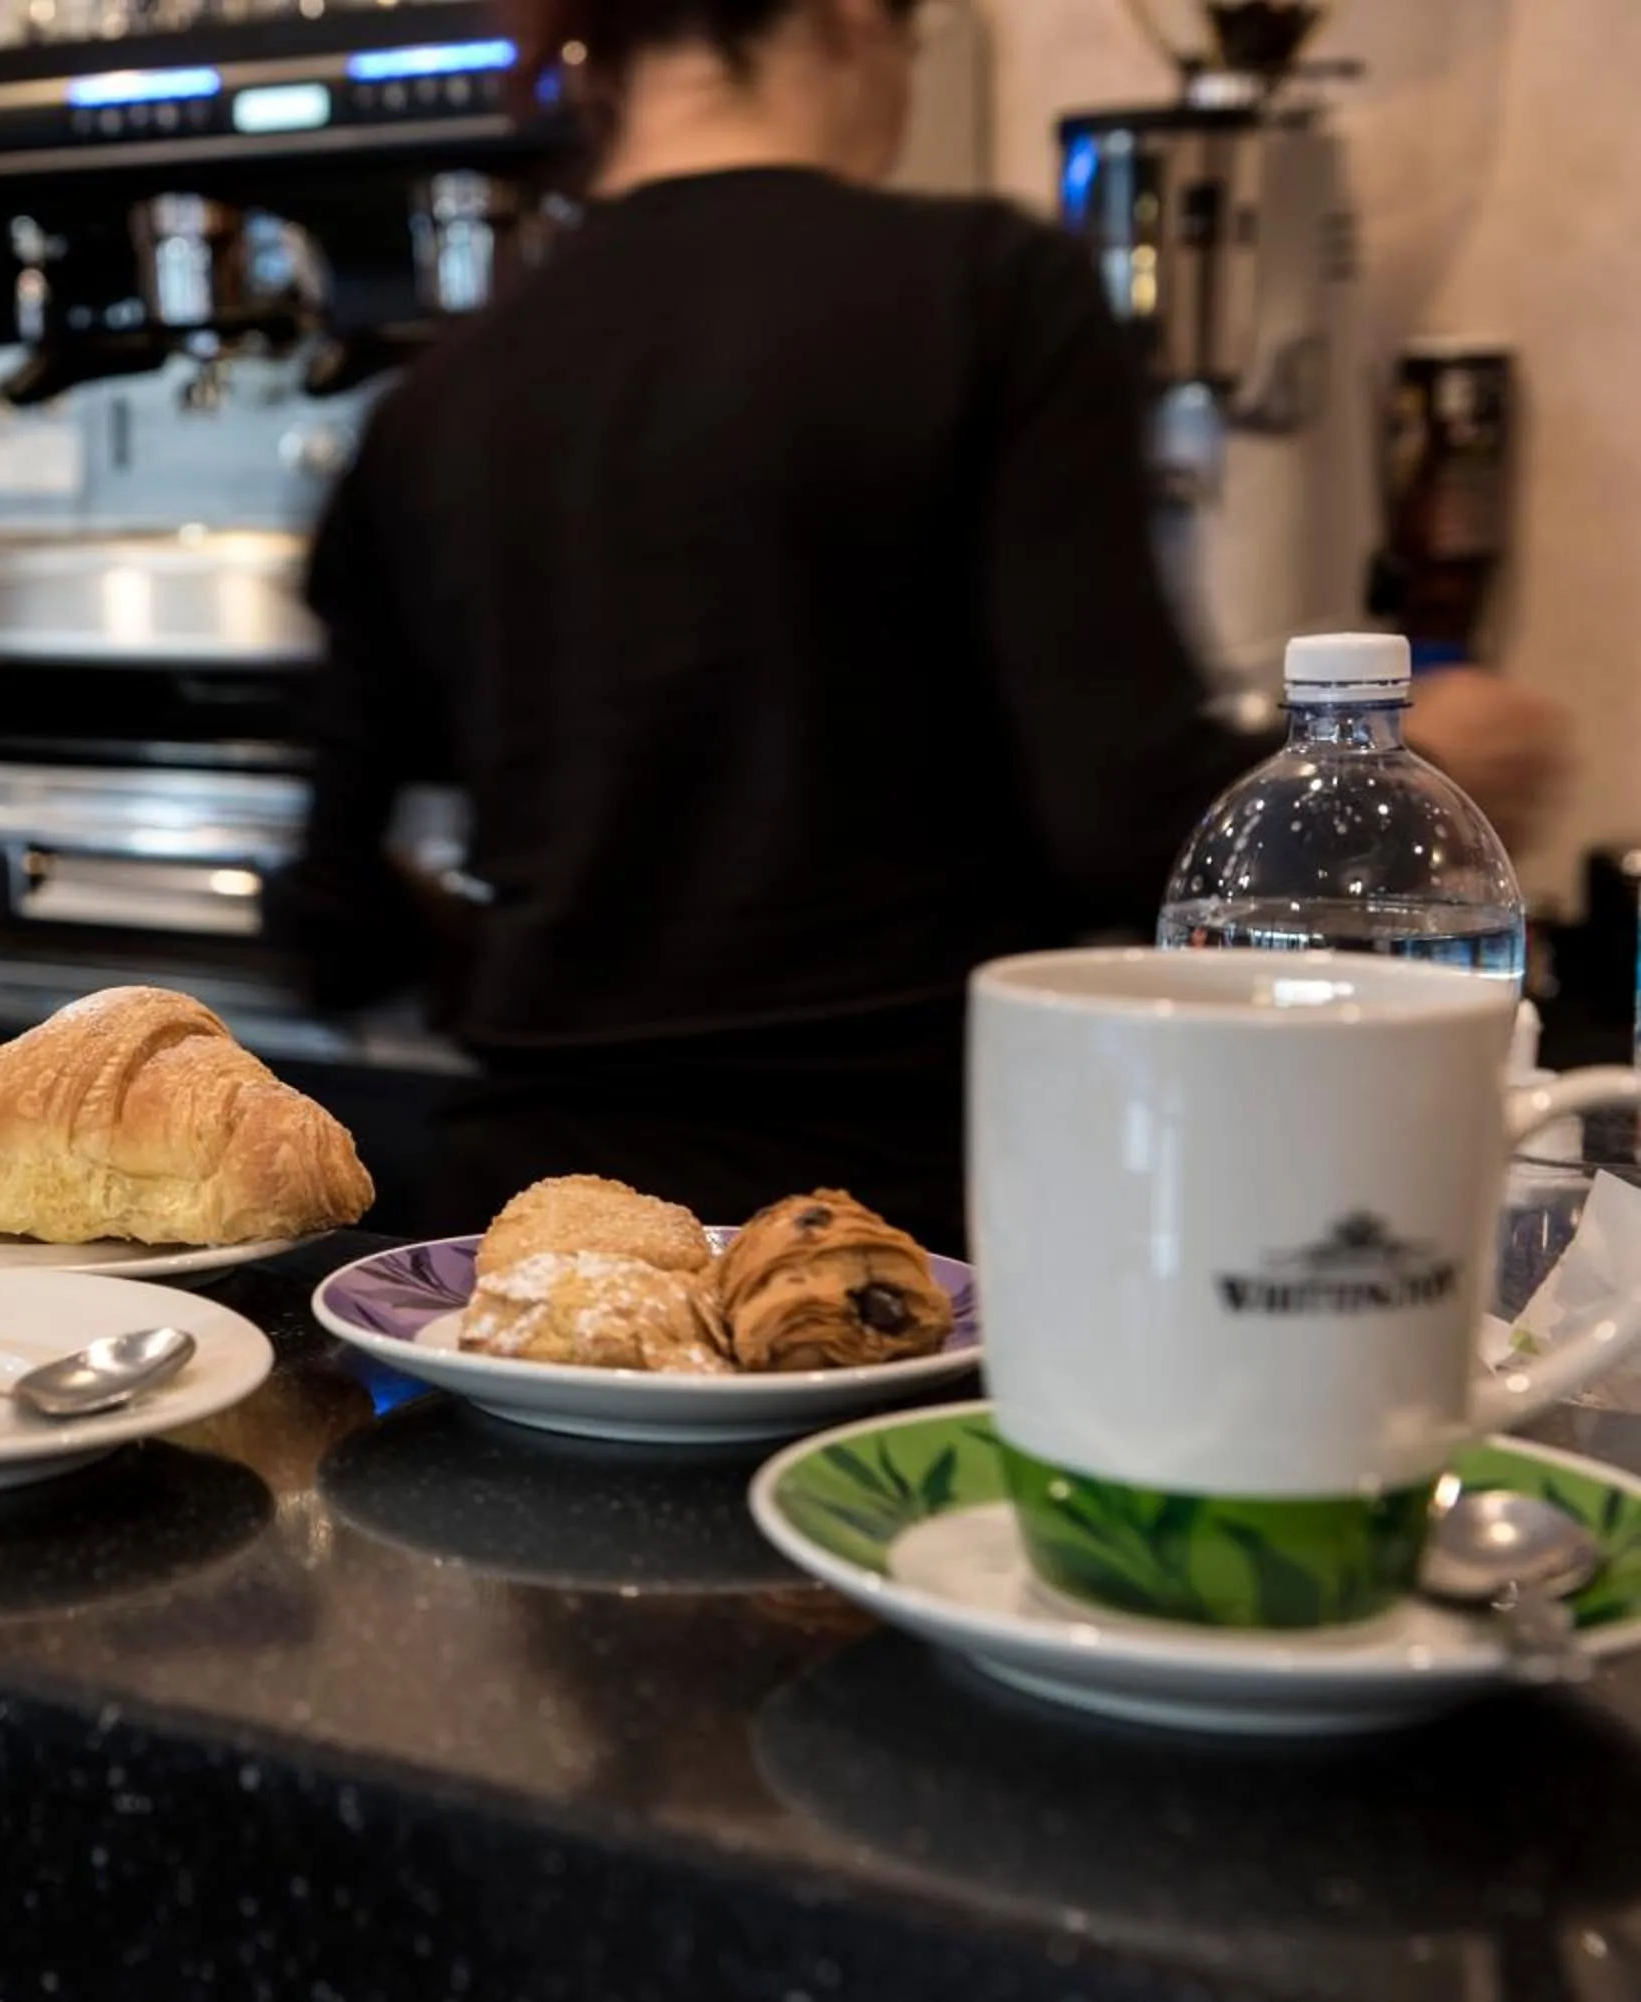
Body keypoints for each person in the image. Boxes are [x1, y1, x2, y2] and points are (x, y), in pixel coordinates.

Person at [274, 0, 1569, 1249]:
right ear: (851, 15)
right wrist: (1407, 774)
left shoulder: (437, 402)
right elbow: (1121, 826)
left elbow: (327, 921)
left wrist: (561, 977)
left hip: (547, 1246)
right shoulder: (990, 295)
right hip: (904, 1248)